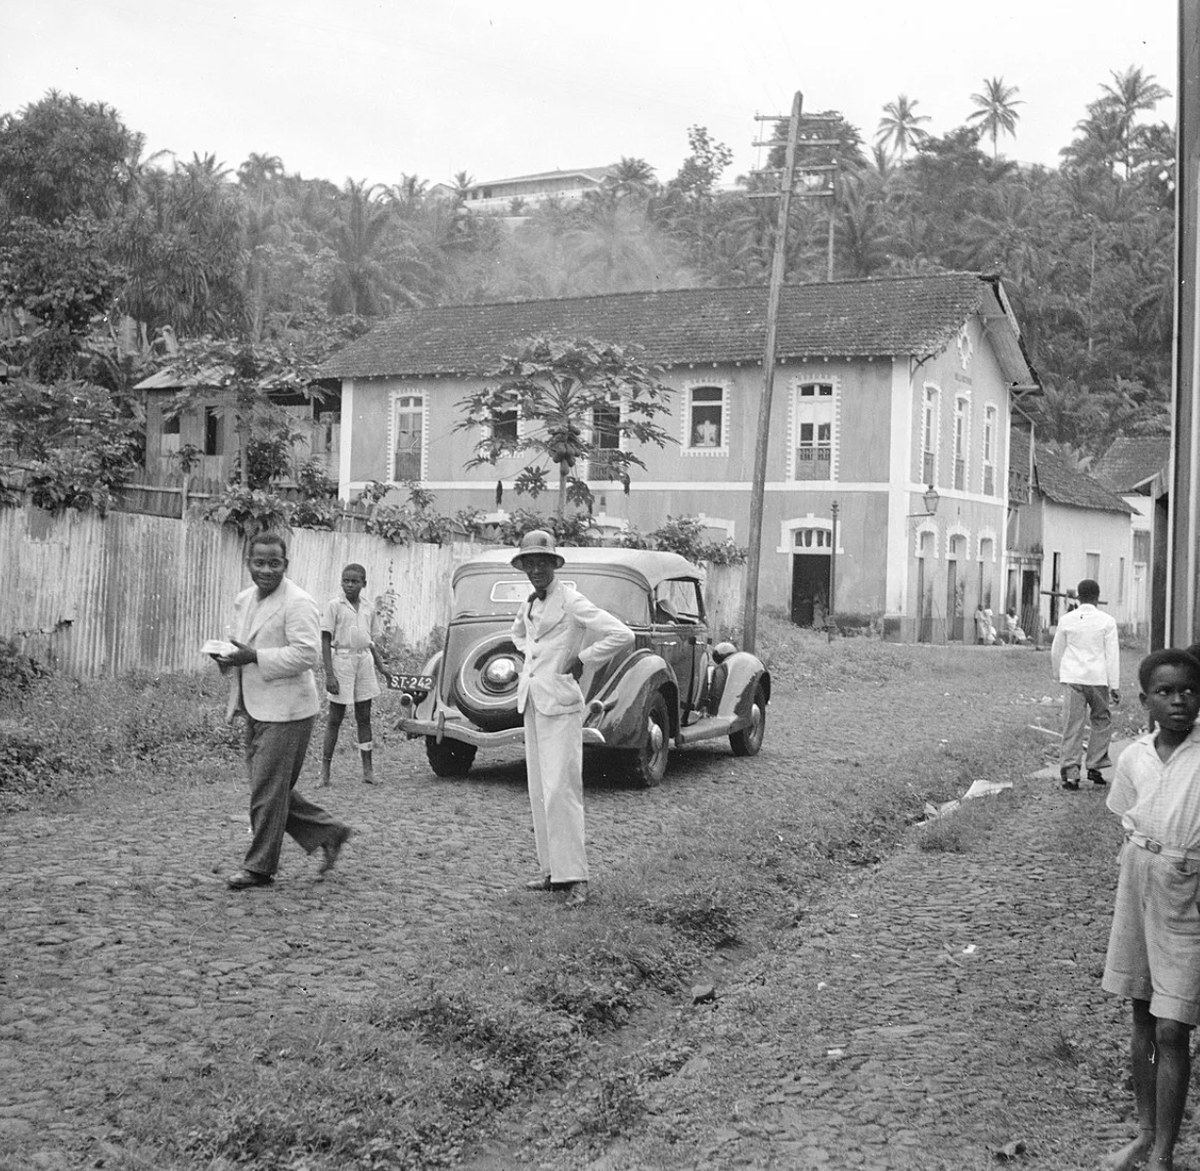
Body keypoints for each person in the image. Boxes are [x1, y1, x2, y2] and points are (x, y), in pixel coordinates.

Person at [1100, 648, 1200, 1171]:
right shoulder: (1135, 755)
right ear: (1145, 701)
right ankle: (1142, 1135)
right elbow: (1125, 816)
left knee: (1173, 1025)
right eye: (1165, 692)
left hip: (1189, 886)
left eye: (1188, 690)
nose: (1178, 701)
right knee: (1141, 1009)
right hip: (1138, 873)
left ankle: (1163, 1154)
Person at [214, 532, 353, 890]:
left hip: (289, 710)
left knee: (266, 791)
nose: (266, 569)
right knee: (271, 790)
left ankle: (259, 868)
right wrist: (228, 659)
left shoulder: (299, 602)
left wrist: (255, 657)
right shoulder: (244, 600)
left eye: (274, 563)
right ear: (248, 564)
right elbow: (243, 646)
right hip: (255, 706)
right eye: (259, 562)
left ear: (285, 564)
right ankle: (329, 830)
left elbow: (307, 654)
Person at [509, 530, 634, 908]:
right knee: (539, 790)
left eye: (542, 563)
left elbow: (622, 634)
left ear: (554, 564)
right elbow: (520, 636)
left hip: (561, 705)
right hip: (532, 700)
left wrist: (580, 658)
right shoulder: (529, 603)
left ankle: (576, 878)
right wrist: (534, 663)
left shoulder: (572, 600)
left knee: (563, 789)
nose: (536, 570)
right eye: (530, 563)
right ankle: (552, 872)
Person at [319, 563, 389, 786]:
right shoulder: (335, 606)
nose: (349, 585)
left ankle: (368, 770)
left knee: (364, 717)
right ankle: (325, 772)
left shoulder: (368, 608)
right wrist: (329, 675)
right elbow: (325, 640)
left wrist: (382, 666)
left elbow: (370, 641)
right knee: (335, 718)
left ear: (364, 584)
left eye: (354, 581)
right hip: (342, 661)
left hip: (364, 662)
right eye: (346, 580)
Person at [1051, 578, 1120, 790]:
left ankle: (1071, 773)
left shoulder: (1067, 620)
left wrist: (1059, 674)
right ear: (1098, 598)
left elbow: (1056, 650)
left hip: (1073, 678)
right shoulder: (1107, 621)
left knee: (1073, 723)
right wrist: (1114, 685)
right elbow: (1112, 655)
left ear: (1077, 597)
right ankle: (1095, 765)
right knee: (1101, 720)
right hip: (1098, 678)